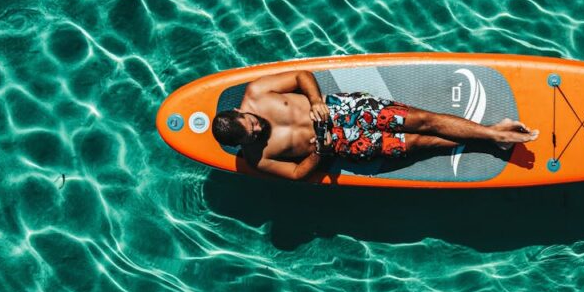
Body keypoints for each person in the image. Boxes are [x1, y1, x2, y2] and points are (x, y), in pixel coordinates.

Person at [210, 70, 538, 180]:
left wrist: (315, 102)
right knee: (418, 144)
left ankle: (496, 131)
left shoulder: (257, 92)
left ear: (241, 112)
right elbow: (297, 175)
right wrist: (320, 154)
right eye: (251, 135)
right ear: (240, 143)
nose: (257, 130)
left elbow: (300, 76)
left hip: (348, 109)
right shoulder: (254, 158)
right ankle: (490, 139)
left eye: (252, 124)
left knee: (423, 121)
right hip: (342, 145)